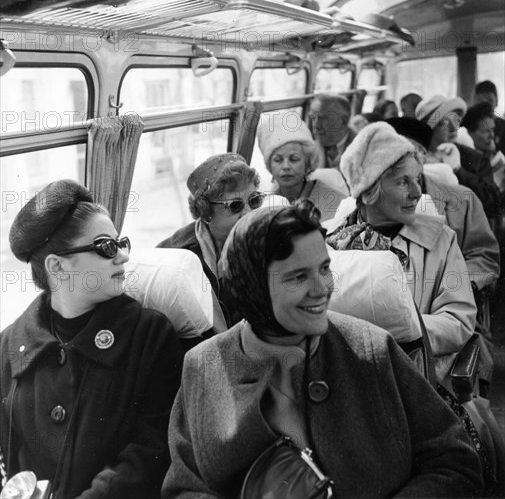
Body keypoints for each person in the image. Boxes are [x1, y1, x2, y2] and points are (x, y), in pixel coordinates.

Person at [161, 200, 483, 498]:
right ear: (254, 287)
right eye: (298, 277)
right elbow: (185, 488)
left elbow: (455, 462)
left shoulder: (372, 348)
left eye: (325, 269)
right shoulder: (204, 366)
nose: (322, 288)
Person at [0, 179, 183, 498]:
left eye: (121, 243)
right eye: (106, 247)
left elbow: (150, 451)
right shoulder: (8, 348)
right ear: (57, 266)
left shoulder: (149, 336)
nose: (123, 256)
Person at [325, 122, 477, 389]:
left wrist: (402, 328)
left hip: (420, 381)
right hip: (340, 378)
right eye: (403, 182)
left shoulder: (441, 240)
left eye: (417, 179)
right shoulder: (326, 243)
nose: (417, 193)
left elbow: (459, 319)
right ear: (370, 190)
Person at [156, 153, 263, 327]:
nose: (248, 213)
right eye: (235, 205)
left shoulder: (265, 238)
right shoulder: (175, 257)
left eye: (254, 200)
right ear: (206, 211)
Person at [416, 94, 501, 221]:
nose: (453, 127)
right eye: (444, 122)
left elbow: (495, 205)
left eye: (455, 120)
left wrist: (459, 171)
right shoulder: (415, 160)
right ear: (430, 128)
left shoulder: (474, 158)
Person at [257, 113, 346, 221]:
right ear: (269, 166)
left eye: (294, 159)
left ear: (307, 164)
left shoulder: (337, 203)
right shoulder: (265, 206)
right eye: (278, 160)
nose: (286, 166)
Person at [309, 93, 355, 169]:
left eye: (323, 119)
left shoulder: (366, 149)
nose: (316, 126)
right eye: (313, 118)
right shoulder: (307, 150)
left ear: (343, 121)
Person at [474, 80, 505, 153]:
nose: (484, 104)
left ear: (496, 101)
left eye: (489, 100)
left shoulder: (503, 127)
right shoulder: (469, 128)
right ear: (474, 102)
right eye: (480, 100)